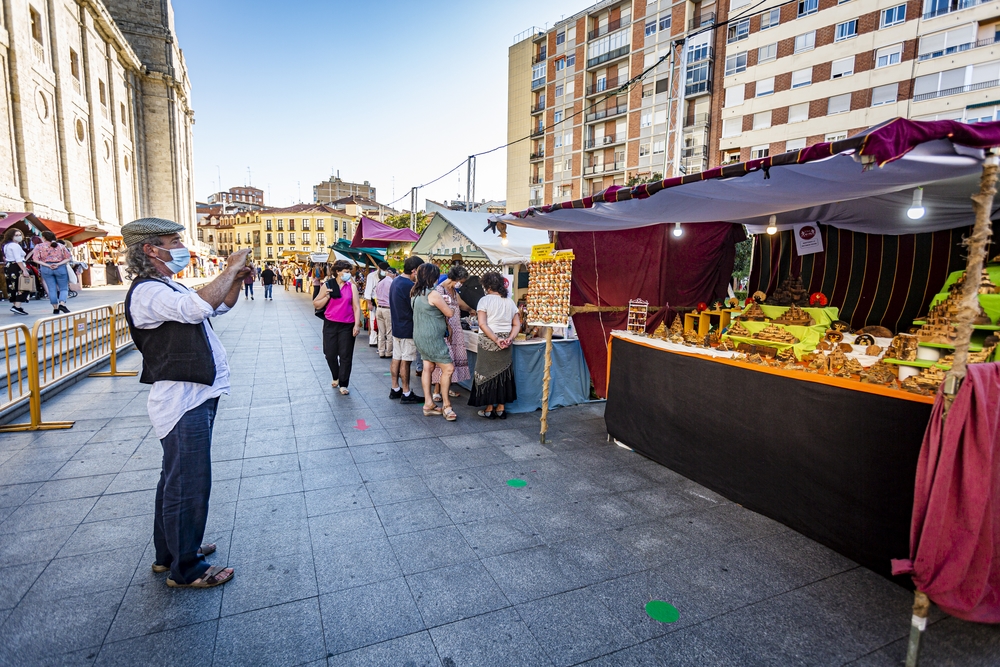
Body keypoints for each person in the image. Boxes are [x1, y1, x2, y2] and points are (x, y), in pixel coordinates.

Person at [121, 217, 248, 589]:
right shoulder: (148, 292)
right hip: (182, 400)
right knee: (188, 483)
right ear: (150, 249)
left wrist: (234, 280)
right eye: (173, 240)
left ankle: (172, 552)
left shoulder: (166, 286)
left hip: (194, 395)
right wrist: (228, 268)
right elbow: (196, 308)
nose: (181, 246)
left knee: (175, 480)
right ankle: (186, 568)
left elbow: (216, 307)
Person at [469, 271, 520, 419]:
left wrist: (496, 339)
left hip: (488, 339)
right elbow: (517, 324)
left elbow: (482, 324)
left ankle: (489, 407)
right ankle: (501, 407)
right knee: (504, 373)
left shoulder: (484, 301)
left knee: (486, 372)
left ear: (487, 285)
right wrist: (509, 338)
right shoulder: (510, 301)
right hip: (506, 341)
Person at [411, 263, 458, 421]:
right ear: (432, 277)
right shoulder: (433, 294)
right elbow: (449, 313)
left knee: (428, 368)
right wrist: (449, 302)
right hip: (432, 338)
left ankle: (428, 404)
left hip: (420, 335)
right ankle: (446, 405)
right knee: (448, 368)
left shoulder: (415, 292)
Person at [313, 260, 362, 395]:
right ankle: (336, 375)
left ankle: (344, 384)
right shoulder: (328, 285)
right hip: (330, 324)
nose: (348, 275)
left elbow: (356, 307)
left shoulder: (351, 287)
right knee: (330, 354)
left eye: (349, 272)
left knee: (346, 355)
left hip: (347, 324)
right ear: (338, 272)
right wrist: (327, 297)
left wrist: (357, 324)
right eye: (346, 272)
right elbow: (316, 304)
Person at [431, 266, 471, 402]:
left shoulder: (453, 290)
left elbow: (460, 304)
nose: (462, 284)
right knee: (443, 360)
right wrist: (447, 325)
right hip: (446, 329)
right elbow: (437, 311)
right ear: (456, 278)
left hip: (456, 329)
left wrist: (472, 309)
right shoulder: (439, 290)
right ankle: (437, 390)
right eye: (462, 281)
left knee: (452, 361)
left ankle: (446, 389)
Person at [388, 255, 424, 404]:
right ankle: (406, 392)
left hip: (397, 326)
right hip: (407, 328)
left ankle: (395, 388)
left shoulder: (395, 281)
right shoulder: (408, 285)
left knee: (397, 358)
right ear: (414, 271)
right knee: (406, 361)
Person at [27, 231, 73, 314]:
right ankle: (62, 304)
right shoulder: (61, 246)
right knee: (63, 288)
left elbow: (35, 259)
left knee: (51, 289)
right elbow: (68, 257)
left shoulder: (39, 246)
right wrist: (58, 264)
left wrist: (47, 265)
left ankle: (55, 308)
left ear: (44, 237)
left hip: (46, 268)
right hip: (60, 267)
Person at [3, 228, 31, 315]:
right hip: (17, 266)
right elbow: (18, 258)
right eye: (16, 235)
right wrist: (24, 270)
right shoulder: (15, 246)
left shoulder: (7, 245)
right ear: (11, 236)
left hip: (9, 267)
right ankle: (17, 306)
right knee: (24, 286)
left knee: (13, 287)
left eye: (20, 235)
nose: (19, 237)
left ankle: (16, 306)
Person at [373, 266, 397, 358]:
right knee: (389, 331)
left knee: (381, 332)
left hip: (379, 308)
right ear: (393, 274)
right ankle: (388, 352)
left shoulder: (380, 282)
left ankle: (381, 351)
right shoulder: (392, 282)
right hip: (388, 309)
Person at [364, 262, 386, 347]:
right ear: (379, 268)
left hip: (383, 302)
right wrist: (369, 303)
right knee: (373, 321)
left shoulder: (385, 276)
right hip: (373, 301)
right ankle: (373, 340)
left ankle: (380, 340)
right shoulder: (372, 276)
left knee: (381, 322)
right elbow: (368, 290)